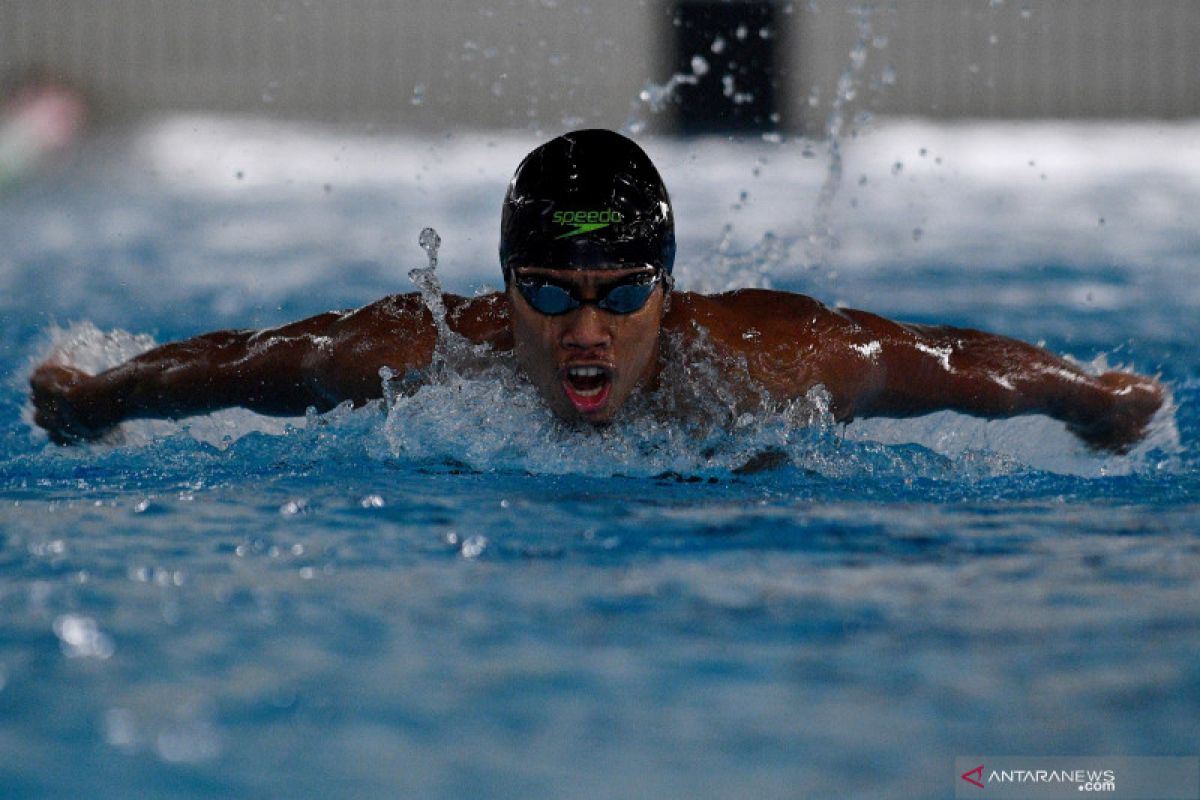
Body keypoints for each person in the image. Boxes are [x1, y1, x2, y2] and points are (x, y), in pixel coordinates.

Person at [30, 129, 1163, 453]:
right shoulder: (435, 352)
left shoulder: (767, 365)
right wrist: (100, 399)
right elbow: (246, 360)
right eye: (551, 292)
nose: (584, 329)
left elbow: (953, 362)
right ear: (501, 288)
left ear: (668, 293)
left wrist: (1087, 399)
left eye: (623, 296)